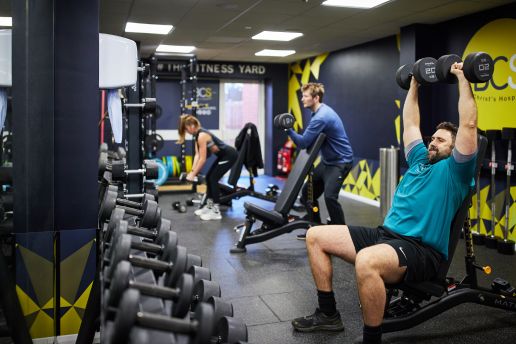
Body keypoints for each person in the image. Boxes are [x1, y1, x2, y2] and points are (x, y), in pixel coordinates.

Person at [291, 62, 478, 344]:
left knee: (366, 261)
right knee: (315, 235)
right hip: (384, 236)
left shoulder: (456, 172)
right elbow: (411, 123)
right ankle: (328, 315)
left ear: (454, 149)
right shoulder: (418, 160)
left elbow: (469, 125)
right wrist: (414, 83)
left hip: (419, 250)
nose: (433, 142)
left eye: (441, 141)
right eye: (433, 138)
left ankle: (372, 338)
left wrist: (463, 78)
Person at [287, 83, 354, 239]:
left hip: (340, 162)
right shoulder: (317, 113)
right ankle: (315, 225)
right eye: (302, 95)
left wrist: (288, 129)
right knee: (307, 195)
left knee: (330, 197)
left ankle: (343, 235)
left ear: (316, 98)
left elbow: (303, 142)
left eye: (305, 96)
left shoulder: (322, 117)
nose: (302, 99)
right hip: (327, 162)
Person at [177, 115, 238, 221]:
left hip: (230, 155)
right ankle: (209, 206)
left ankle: (215, 211)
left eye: (186, 130)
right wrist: (192, 171)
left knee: (213, 178)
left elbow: (203, 159)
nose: (187, 132)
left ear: (191, 126)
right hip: (222, 156)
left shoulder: (202, 135)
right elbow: (197, 155)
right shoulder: (197, 136)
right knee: (209, 177)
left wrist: (193, 173)